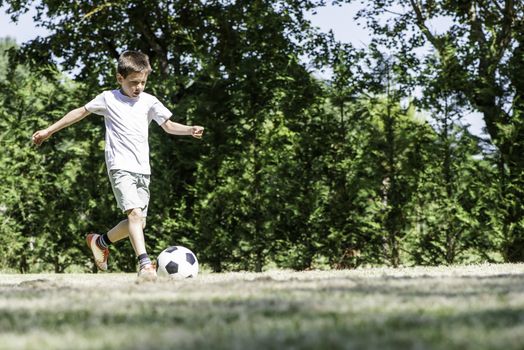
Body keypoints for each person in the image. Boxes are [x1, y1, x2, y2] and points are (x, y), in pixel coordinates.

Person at [32, 51, 204, 280]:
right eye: (134, 82)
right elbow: (80, 113)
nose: (139, 87)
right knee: (133, 213)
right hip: (119, 165)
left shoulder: (149, 101)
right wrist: (49, 130)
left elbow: (169, 125)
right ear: (119, 78)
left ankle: (99, 241)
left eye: (143, 82)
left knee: (138, 222)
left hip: (143, 168)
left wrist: (189, 129)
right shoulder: (108, 98)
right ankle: (145, 264)